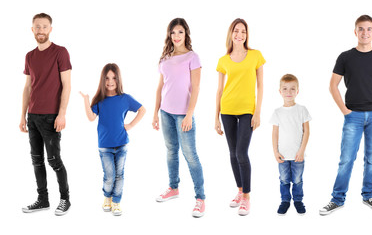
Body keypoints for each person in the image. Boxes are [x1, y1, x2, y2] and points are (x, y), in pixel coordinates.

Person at [320, 15, 372, 215]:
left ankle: (368, 196)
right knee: (346, 159)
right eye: (361, 29)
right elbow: (332, 85)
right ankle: (337, 199)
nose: (365, 32)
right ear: (355, 32)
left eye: (369, 29)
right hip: (352, 116)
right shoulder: (345, 57)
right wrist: (345, 111)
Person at [152, 18, 206, 218]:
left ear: (186, 34)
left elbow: (196, 87)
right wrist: (155, 113)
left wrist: (189, 115)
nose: (176, 36)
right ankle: (173, 187)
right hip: (165, 112)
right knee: (171, 152)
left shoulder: (193, 57)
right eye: (173, 32)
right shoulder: (165, 58)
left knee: (190, 155)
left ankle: (200, 198)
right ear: (169, 35)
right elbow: (160, 87)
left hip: (184, 115)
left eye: (180, 32)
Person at [20, 13, 72, 216]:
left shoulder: (60, 52)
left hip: (51, 116)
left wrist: (62, 114)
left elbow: (67, 85)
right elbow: (27, 87)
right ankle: (42, 200)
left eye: (44, 27)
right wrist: (22, 116)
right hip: (32, 116)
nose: (40, 30)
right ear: (32, 29)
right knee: (36, 160)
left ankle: (65, 199)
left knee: (54, 160)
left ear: (50, 29)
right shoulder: (29, 56)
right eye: (37, 27)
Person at [80, 63, 145, 216]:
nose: (110, 81)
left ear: (118, 79)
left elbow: (142, 110)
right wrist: (86, 100)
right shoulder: (99, 100)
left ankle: (116, 202)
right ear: (103, 80)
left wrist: (130, 125)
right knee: (109, 176)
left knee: (119, 175)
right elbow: (90, 118)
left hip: (122, 144)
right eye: (107, 78)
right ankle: (107, 198)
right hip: (105, 146)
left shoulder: (125, 98)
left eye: (114, 78)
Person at [215, 18, 265, 216]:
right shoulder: (223, 60)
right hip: (227, 109)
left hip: (247, 110)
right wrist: (215, 118)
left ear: (247, 35)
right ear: (231, 33)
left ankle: (246, 197)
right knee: (232, 153)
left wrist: (258, 112)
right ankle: (239, 191)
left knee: (242, 153)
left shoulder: (255, 56)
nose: (240, 35)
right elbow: (219, 91)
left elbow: (261, 86)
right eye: (236, 31)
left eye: (243, 31)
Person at [270, 74, 311, 215]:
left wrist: (301, 150)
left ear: (297, 91)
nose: (289, 92)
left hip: (298, 155)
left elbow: (306, 132)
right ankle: (285, 201)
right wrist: (275, 151)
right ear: (280, 91)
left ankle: (298, 200)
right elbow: (274, 134)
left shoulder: (302, 110)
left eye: (292, 89)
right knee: (284, 180)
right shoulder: (277, 112)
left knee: (298, 180)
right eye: (285, 89)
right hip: (282, 155)